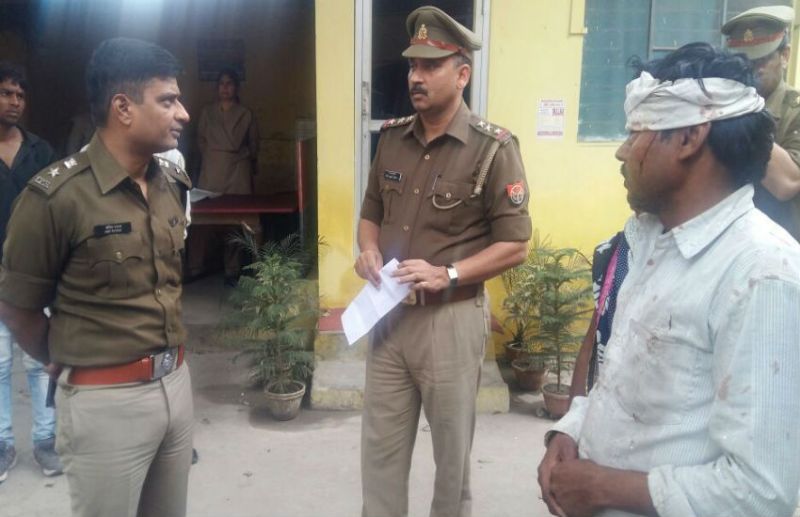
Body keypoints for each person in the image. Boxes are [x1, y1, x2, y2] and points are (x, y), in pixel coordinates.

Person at [537, 42, 800, 517]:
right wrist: (570, 430)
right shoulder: (647, 240)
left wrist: (604, 488)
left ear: (689, 138)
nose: (621, 152)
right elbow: (619, 375)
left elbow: (763, 491)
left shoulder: (762, 274)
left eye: (637, 132)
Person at [0, 38, 193, 517]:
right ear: (122, 108)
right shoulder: (57, 197)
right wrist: (66, 354)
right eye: (168, 100)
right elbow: (19, 306)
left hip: (177, 384)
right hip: (106, 401)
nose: (183, 113)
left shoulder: (171, 185)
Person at [354, 6, 531, 517]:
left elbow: (516, 243)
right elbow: (370, 213)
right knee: (380, 455)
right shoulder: (392, 139)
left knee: (451, 461)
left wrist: (447, 273)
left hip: (450, 321)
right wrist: (367, 250)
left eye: (431, 66)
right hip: (389, 317)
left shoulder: (493, 149)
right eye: (413, 65)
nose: (416, 76)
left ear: (462, 74)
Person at [0, 61, 62, 481]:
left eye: (20, 95)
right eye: (6, 93)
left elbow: (56, 212)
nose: (15, 101)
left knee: (40, 361)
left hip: (35, 275)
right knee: (0, 363)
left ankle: (45, 440)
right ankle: (2, 444)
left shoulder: (41, 152)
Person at [723, 5, 800, 239]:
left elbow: (787, 183)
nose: (754, 69)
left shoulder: (794, 112)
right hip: (729, 240)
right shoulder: (723, 104)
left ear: (785, 56)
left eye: (763, 59)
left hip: (782, 243)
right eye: (745, 61)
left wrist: (742, 109)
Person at [197, 68, 259, 284]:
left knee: (236, 221)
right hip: (211, 171)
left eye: (229, 83)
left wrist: (241, 157)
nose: (225, 88)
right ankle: (198, 266)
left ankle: (232, 269)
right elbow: (201, 140)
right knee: (204, 220)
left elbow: (253, 145)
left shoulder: (246, 113)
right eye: (221, 83)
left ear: (236, 87)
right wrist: (213, 157)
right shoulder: (207, 112)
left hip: (237, 172)